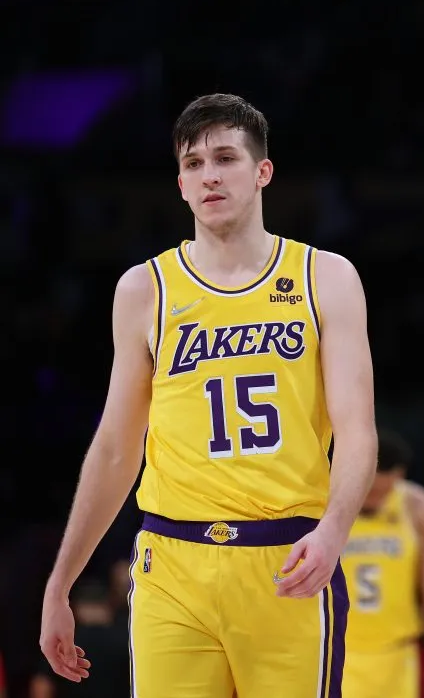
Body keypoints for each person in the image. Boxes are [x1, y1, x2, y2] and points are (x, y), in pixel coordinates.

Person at [38, 93, 378, 697]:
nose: (209, 176)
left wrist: (333, 531)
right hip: (172, 564)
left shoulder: (325, 277)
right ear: (180, 184)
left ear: (263, 171)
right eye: (193, 164)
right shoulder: (144, 289)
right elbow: (115, 448)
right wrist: (61, 582)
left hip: (287, 558)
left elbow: (357, 432)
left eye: (225, 158)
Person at [341, 430, 424, 698]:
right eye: (368, 491)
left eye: (383, 492)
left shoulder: (420, 507)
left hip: (398, 654)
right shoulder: (321, 503)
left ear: (399, 477)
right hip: (338, 651)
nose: (374, 499)